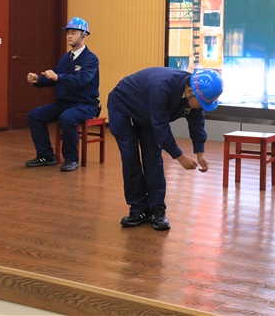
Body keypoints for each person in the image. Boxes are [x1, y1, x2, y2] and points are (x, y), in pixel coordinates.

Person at [107, 67, 223, 231]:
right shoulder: (162, 86)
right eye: (202, 103)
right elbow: (161, 127)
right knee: (130, 158)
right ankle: (138, 209)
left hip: (148, 112)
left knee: (153, 157)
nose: (201, 107)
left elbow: (197, 122)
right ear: (190, 91)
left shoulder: (194, 92)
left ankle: (157, 209)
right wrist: (180, 157)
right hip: (124, 107)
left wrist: (200, 153)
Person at [25, 17, 100, 172]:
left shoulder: (91, 59)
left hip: (85, 104)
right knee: (35, 115)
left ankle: (71, 158)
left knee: (67, 118)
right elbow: (54, 76)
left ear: (84, 36)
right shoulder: (65, 58)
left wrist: (57, 77)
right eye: (68, 33)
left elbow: (81, 79)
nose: (69, 36)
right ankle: (46, 155)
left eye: (73, 33)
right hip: (64, 103)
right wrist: (38, 79)